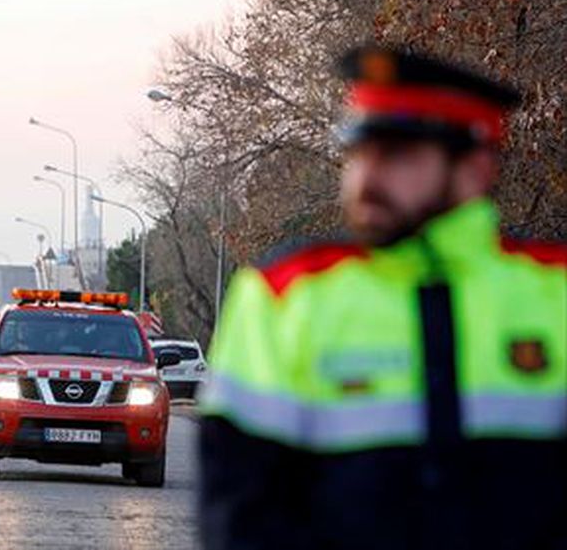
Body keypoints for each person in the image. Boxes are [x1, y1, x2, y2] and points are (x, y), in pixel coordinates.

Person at [199, 45, 567, 550]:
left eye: (398, 155)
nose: (367, 179)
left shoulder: (554, 292)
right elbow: (240, 518)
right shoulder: (285, 296)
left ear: (476, 168)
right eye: (359, 153)